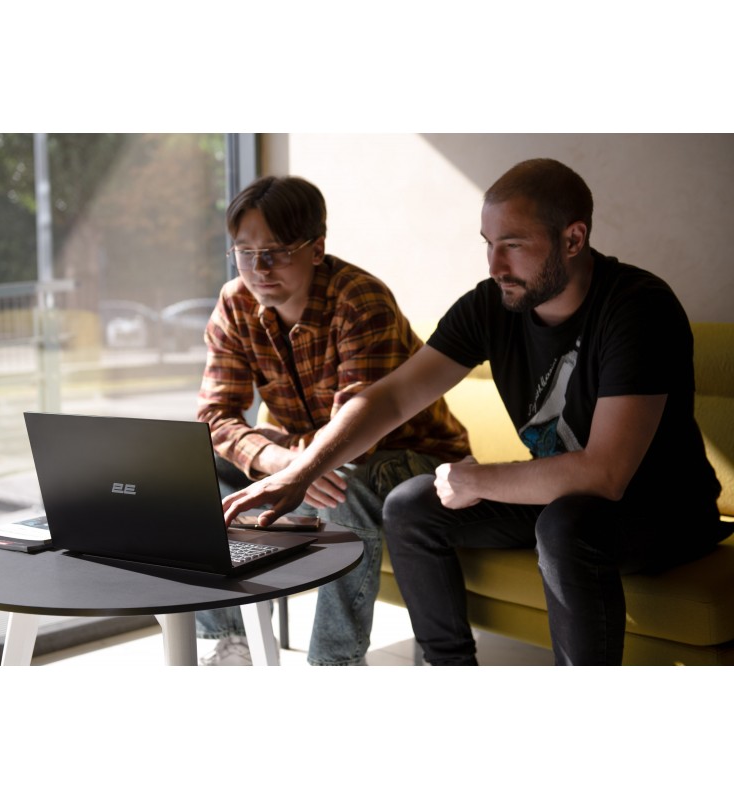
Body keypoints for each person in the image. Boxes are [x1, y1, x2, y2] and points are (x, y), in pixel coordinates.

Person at [221, 158, 725, 666]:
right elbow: (391, 398)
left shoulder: (637, 308)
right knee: (411, 504)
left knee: (565, 523)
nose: (495, 265)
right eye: (488, 243)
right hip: (563, 496)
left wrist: (480, 479)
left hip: (661, 512)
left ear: (573, 239)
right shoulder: (492, 305)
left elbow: (606, 475)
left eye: (513, 245)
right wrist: (300, 472)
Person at [195, 175, 470, 666]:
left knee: (346, 483)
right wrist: (282, 461)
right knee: (198, 468)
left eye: (277, 251)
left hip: (413, 456)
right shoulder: (235, 304)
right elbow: (215, 416)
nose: (259, 268)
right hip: (309, 456)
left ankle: (335, 663)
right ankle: (232, 640)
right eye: (245, 252)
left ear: (316, 248)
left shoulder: (359, 301)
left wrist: (298, 462)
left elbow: (358, 427)